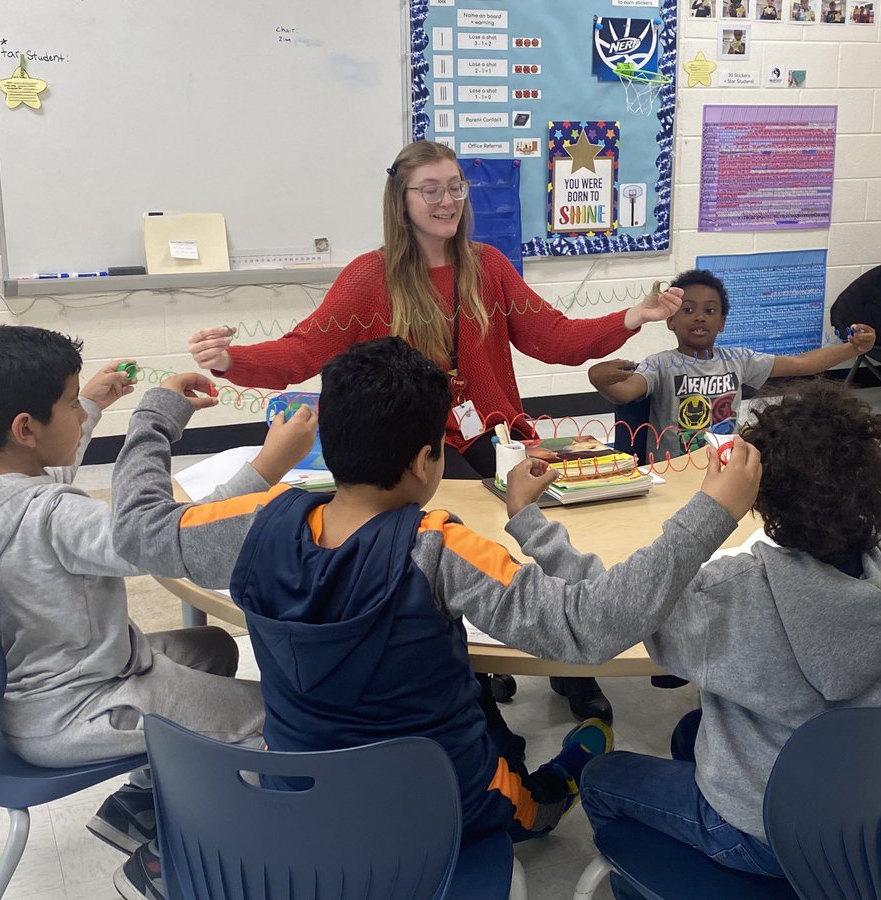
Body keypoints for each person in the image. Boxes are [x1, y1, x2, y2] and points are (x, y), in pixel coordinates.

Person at [109, 337, 762, 883]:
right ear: (427, 460)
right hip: (441, 809)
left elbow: (139, 529)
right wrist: (710, 513)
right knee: (515, 783)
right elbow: (590, 628)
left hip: (299, 800)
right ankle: (553, 786)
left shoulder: (255, 521)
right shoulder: (438, 546)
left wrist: (160, 411)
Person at [186, 140, 672, 719]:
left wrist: (630, 319)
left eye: (456, 187)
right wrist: (231, 362)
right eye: (431, 189)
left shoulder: (487, 265)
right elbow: (304, 350)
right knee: (450, 562)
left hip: (493, 440)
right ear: (402, 197)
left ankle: (569, 672)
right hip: (414, 453)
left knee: (523, 548)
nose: (447, 201)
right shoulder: (371, 277)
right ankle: (477, 670)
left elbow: (554, 338)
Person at [563, 382, 881, 895]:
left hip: (759, 834)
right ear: (880, 485)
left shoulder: (728, 595)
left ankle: (657, 886)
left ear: (763, 499)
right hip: (861, 817)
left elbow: (618, 608)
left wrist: (541, 534)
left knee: (603, 778)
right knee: (689, 733)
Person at [0, 325, 316, 900]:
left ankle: (136, 802)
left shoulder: (12, 488)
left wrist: (89, 402)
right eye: (67, 405)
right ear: (25, 428)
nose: (79, 413)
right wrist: (267, 467)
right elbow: (169, 538)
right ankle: (170, 861)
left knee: (215, 648)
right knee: (282, 723)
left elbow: (47, 471)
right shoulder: (52, 517)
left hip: (48, 683)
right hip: (81, 705)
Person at [588, 269, 876, 458]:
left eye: (710, 311)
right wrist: (598, 379)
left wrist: (852, 347)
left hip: (726, 466)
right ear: (671, 321)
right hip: (674, 471)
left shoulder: (738, 360)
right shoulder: (661, 365)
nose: (699, 317)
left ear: (722, 322)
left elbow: (802, 364)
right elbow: (625, 393)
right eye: (688, 310)